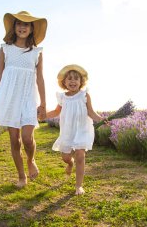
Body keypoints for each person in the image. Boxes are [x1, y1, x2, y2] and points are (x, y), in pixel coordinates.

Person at [0, 11, 47, 188]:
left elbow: (40, 78)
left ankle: (31, 159)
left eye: (26, 24)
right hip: (10, 98)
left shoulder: (37, 52)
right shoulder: (5, 49)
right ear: (14, 27)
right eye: (19, 23)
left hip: (28, 97)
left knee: (27, 137)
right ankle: (21, 176)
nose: (22, 27)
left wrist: (43, 104)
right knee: (14, 140)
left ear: (32, 28)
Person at [46, 64, 107, 195]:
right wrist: (42, 115)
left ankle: (78, 186)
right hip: (68, 131)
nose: (73, 81)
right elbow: (56, 111)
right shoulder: (62, 97)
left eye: (76, 78)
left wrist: (100, 119)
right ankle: (69, 163)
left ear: (81, 82)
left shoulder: (84, 95)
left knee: (80, 155)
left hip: (82, 129)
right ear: (64, 82)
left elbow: (91, 112)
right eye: (69, 79)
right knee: (65, 156)